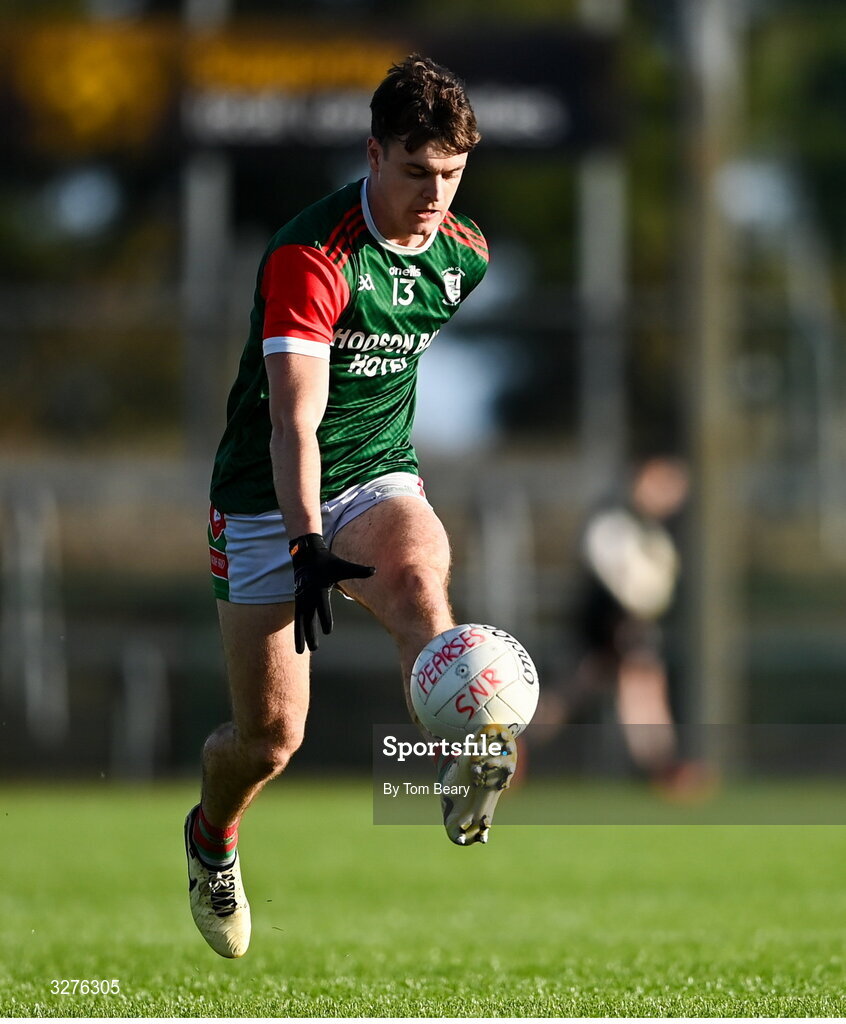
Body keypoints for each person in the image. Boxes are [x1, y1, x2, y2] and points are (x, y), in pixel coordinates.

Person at [185, 55, 517, 959]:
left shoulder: (464, 255)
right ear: (373, 155)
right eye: (416, 172)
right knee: (270, 739)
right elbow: (293, 422)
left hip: (375, 472)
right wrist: (303, 545)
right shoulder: (312, 256)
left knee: (418, 579)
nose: (434, 195)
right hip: (265, 499)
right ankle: (211, 839)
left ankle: (466, 745)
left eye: (450, 174)